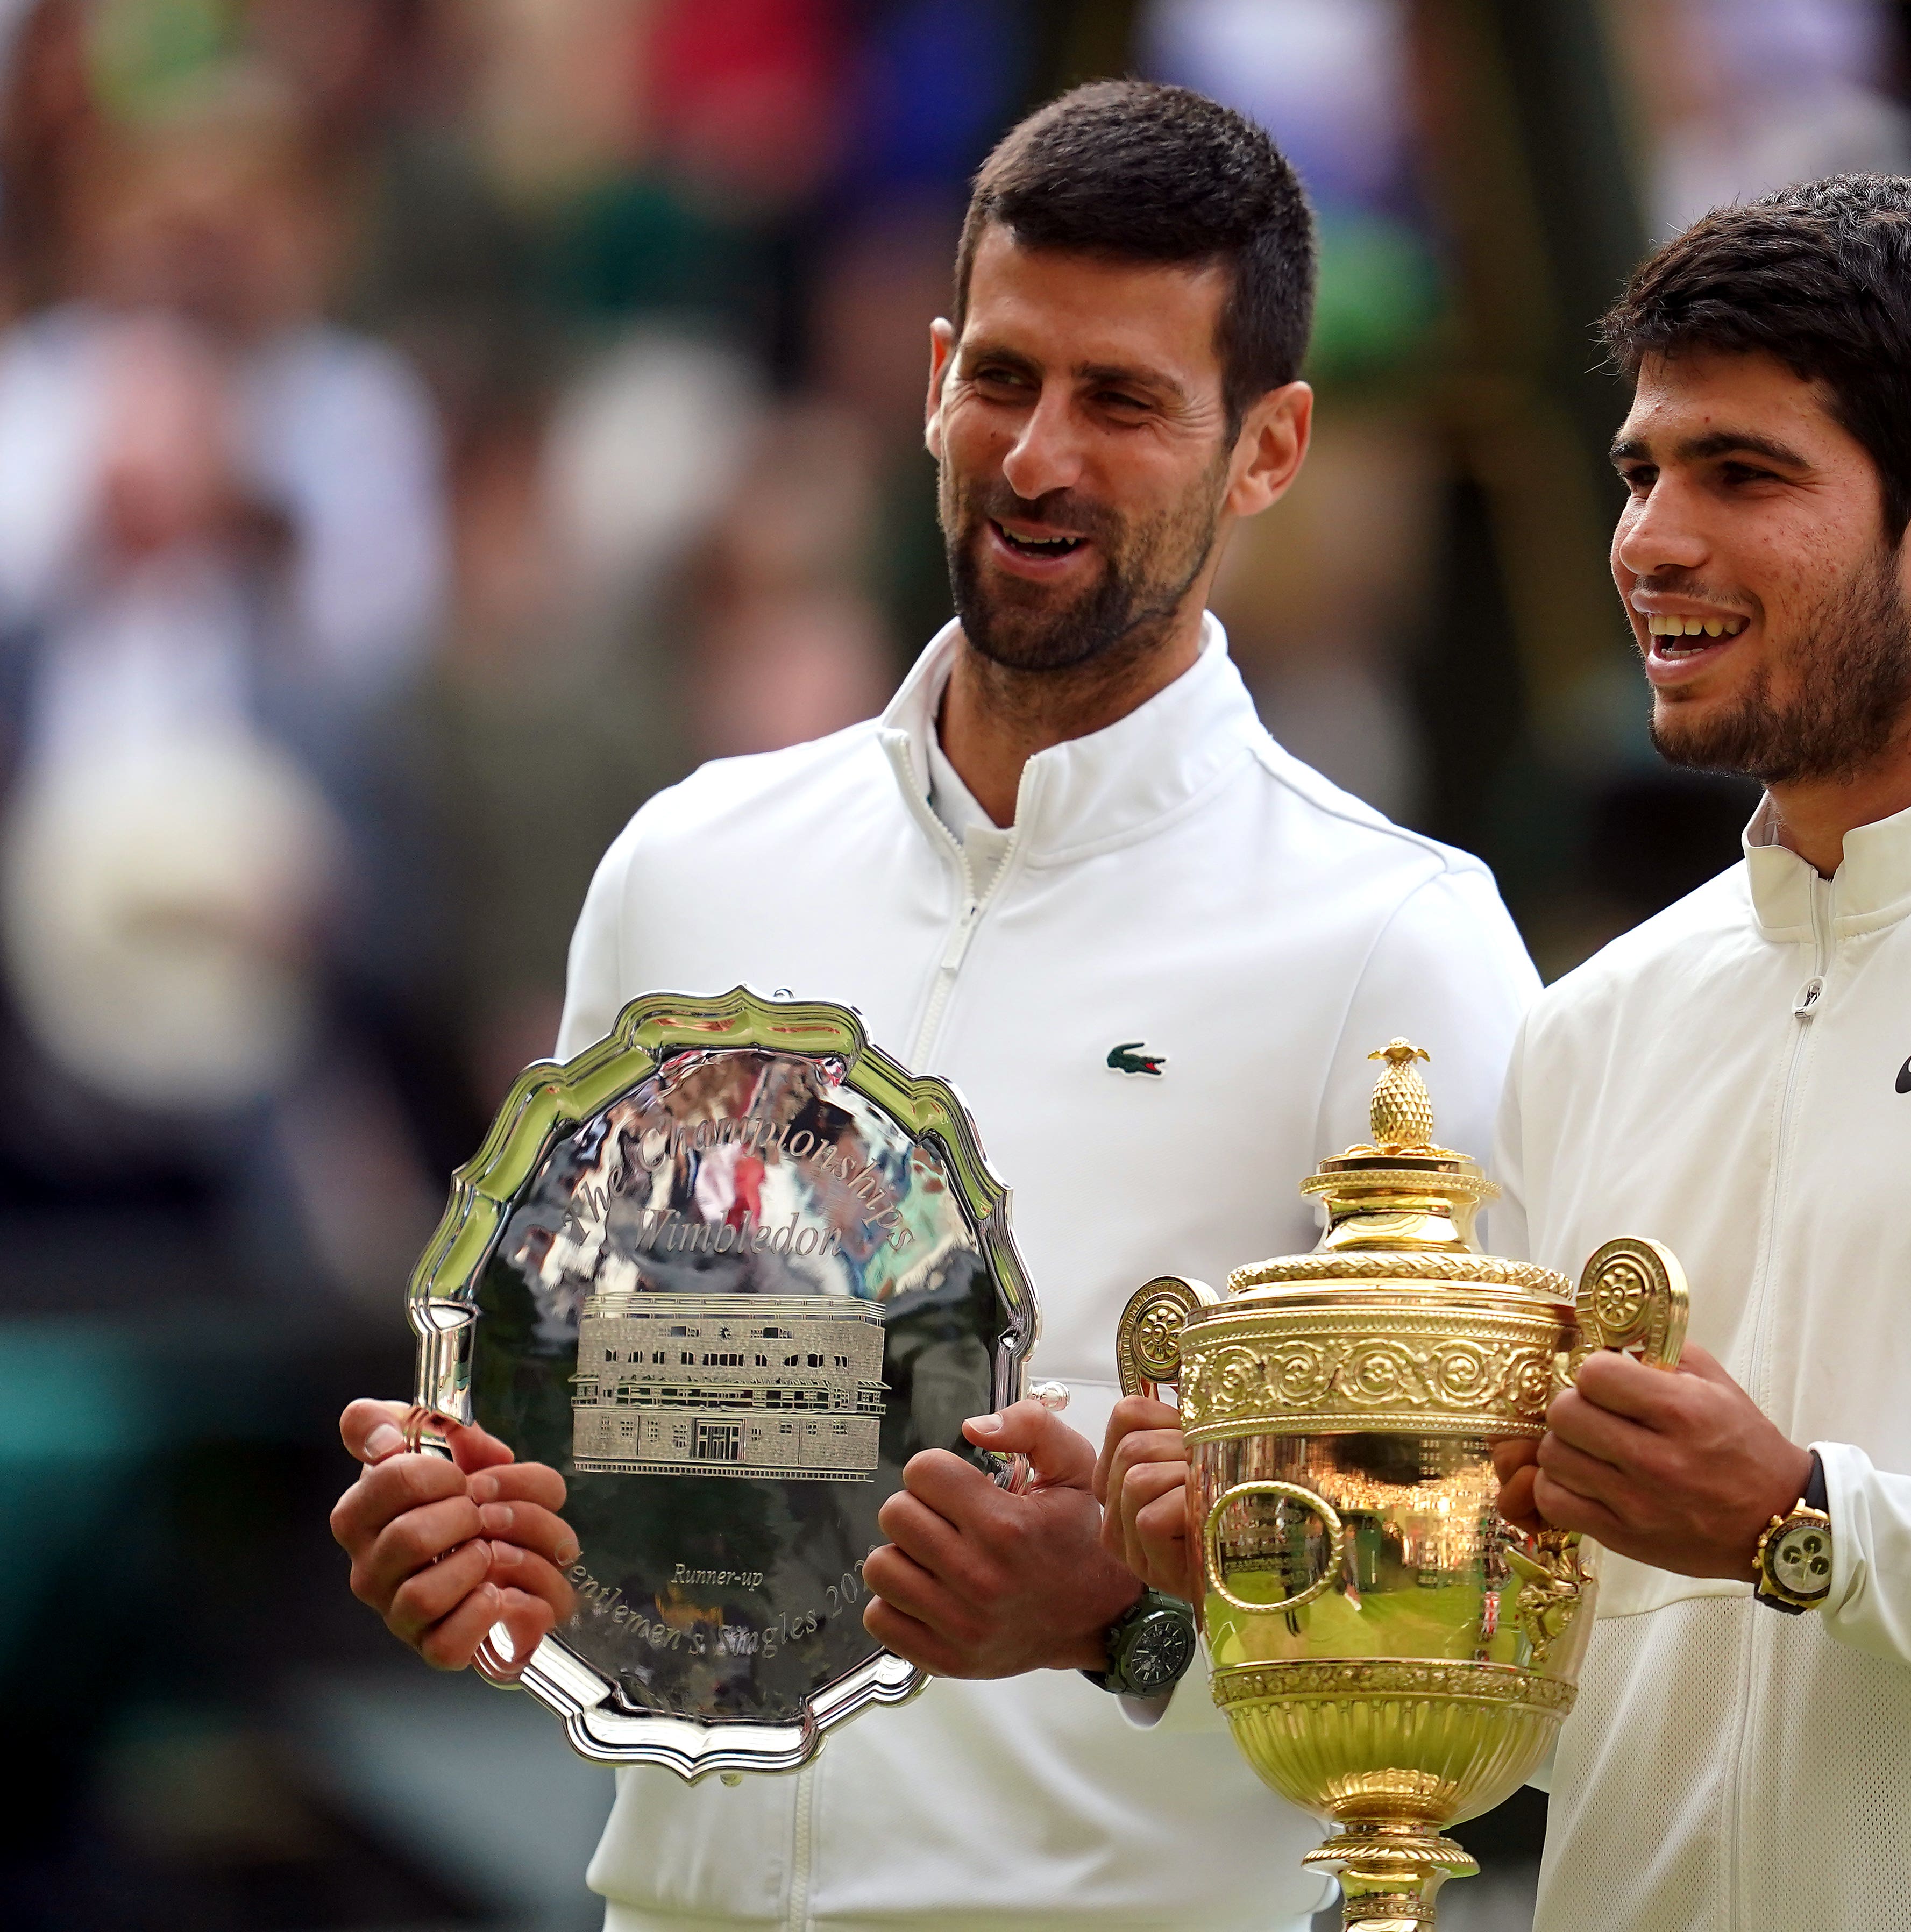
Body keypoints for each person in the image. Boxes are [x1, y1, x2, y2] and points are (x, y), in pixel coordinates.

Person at [1107, 174, 1911, 1929]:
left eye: (1742, 474)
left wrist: (1810, 1527)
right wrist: (1294, 1555)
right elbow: (1597, 1719)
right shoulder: (1589, 1035)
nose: (1650, 539)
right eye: (1640, 472)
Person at [326, 82, 1539, 1932]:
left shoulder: (1401, 941)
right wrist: (467, 1544)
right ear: (930, 376)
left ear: (1270, 447)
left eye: (1124, 403)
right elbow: (585, 1442)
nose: (1039, 456)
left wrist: (1119, 1623)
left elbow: (1503, 1642)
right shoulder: (689, 861)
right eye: (1004, 379)